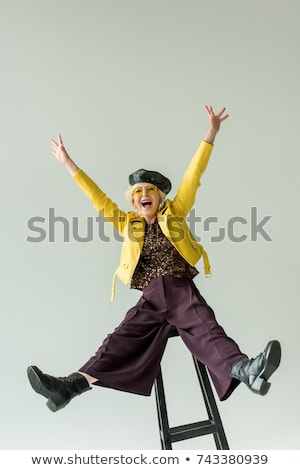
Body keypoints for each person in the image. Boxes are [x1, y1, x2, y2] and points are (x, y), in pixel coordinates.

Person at [27, 106, 281, 413]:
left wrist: (210, 133)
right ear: (133, 202)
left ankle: (248, 370)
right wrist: (68, 163)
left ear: (160, 198)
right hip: (150, 298)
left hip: (178, 288)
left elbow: (192, 176)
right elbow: (98, 199)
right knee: (118, 340)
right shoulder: (127, 223)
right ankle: (68, 387)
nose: (143, 195)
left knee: (206, 328)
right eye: (138, 192)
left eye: (150, 190)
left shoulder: (175, 212)